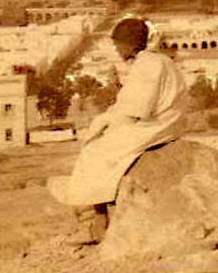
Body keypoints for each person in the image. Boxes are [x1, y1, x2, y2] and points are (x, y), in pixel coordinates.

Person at [47, 17, 188, 245]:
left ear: (129, 44)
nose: (116, 50)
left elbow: (138, 109)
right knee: (98, 140)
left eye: (117, 45)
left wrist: (107, 125)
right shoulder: (156, 60)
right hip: (162, 120)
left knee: (95, 151)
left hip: (157, 123)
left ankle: (95, 223)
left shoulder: (148, 64)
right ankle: (95, 219)